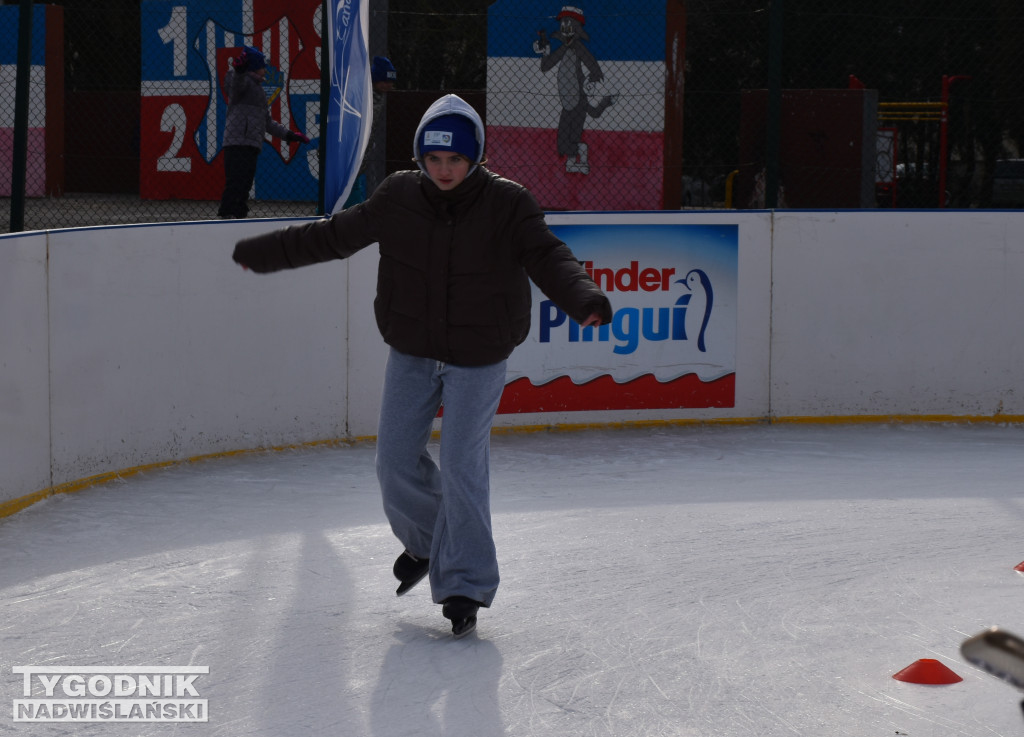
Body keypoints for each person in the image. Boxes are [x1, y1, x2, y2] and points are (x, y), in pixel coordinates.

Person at [231, 93, 612, 638]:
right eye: (433, 160)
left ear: (475, 157)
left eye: (455, 160)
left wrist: (584, 299)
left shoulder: (509, 203)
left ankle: (466, 584)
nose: (444, 170)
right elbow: (338, 235)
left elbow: (548, 255)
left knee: (461, 467)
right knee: (393, 464)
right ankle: (432, 545)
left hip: (478, 357)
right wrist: (270, 251)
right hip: (412, 350)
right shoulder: (399, 196)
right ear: (419, 158)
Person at [218, 46, 310, 219]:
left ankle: (238, 215)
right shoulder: (239, 81)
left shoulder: (258, 89)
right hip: (237, 142)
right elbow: (236, 88)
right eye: (262, 65)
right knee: (235, 182)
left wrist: (288, 134)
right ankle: (227, 214)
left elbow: (266, 121)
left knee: (245, 183)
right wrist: (240, 71)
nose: (265, 69)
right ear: (253, 67)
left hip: (252, 143)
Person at [342, 55, 397, 208]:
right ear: (375, 79)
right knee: (351, 183)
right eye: (385, 81)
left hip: (363, 146)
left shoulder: (377, 95)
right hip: (353, 146)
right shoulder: (365, 95)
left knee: (355, 181)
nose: (389, 85)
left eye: (391, 82)